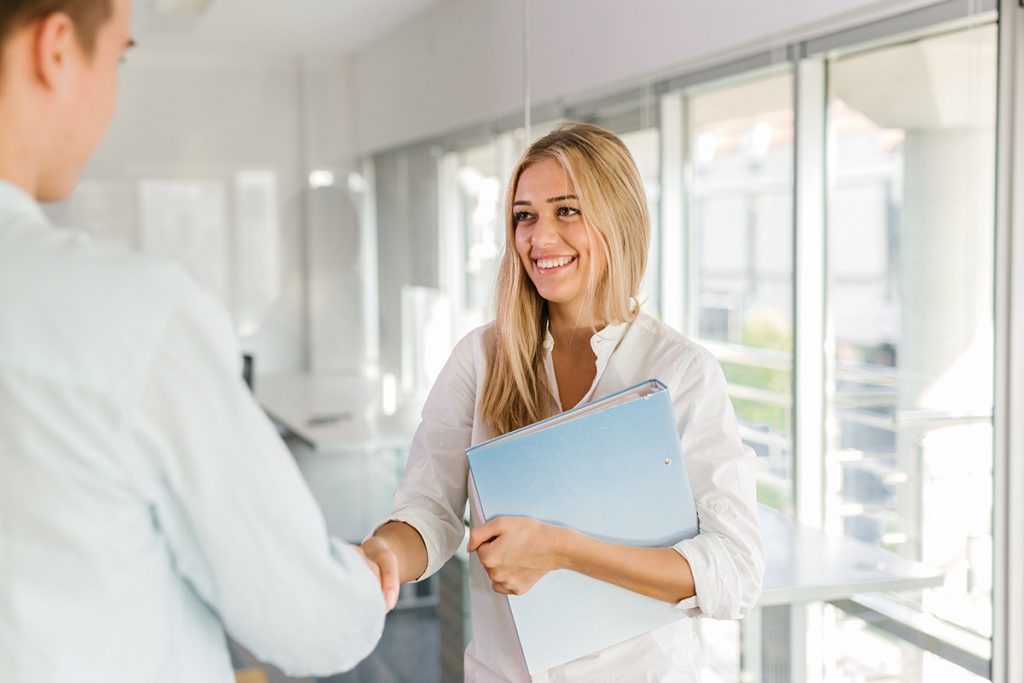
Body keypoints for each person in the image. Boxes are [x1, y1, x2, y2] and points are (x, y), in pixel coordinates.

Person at [0, 1, 389, 680]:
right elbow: (308, 621)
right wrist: (364, 578)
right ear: (55, 49)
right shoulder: (134, 315)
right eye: (118, 56)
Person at [363, 122, 764, 681]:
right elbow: (428, 512)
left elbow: (735, 572)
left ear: (617, 218)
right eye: (525, 215)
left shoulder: (680, 373)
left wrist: (565, 550)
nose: (539, 238)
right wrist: (383, 554)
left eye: (567, 211)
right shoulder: (480, 358)